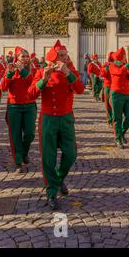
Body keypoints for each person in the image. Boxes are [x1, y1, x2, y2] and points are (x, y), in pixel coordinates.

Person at [28, 40, 84, 210]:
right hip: (48, 120)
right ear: (53, 58)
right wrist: (43, 80)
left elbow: (80, 89)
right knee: (48, 157)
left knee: (71, 154)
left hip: (66, 118)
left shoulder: (71, 70)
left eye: (66, 55)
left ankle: (58, 179)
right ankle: (51, 191)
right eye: (62, 55)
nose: (65, 58)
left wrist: (68, 73)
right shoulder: (41, 71)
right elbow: (31, 95)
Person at [0, 47, 37, 173]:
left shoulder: (33, 69)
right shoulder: (10, 70)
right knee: (15, 135)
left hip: (30, 105)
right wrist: (9, 74)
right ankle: (18, 162)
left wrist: (23, 71)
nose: (26, 59)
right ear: (17, 58)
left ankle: (24, 152)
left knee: (30, 134)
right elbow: (3, 88)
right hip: (14, 106)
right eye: (23, 57)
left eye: (27, 56)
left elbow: (33, 84)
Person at [109, 47, 129, 149]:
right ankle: (118, 138)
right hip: (117, 94)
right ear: (120, 58)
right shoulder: (112, 66)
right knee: (117, 118)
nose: (125, 58)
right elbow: (119, 72)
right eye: (124, 57)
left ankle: (122, 132)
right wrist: (127, 67)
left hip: (127, 94)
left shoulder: (125, 67)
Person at [101, 52, 114, 127]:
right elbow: (102, 74)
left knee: (114, 105)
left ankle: (114, 119)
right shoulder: (106, 65)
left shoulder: (117, 65)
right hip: (107, 86)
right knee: (108, 105)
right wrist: (106, 68)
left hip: (114, 86)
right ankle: (110, 120)